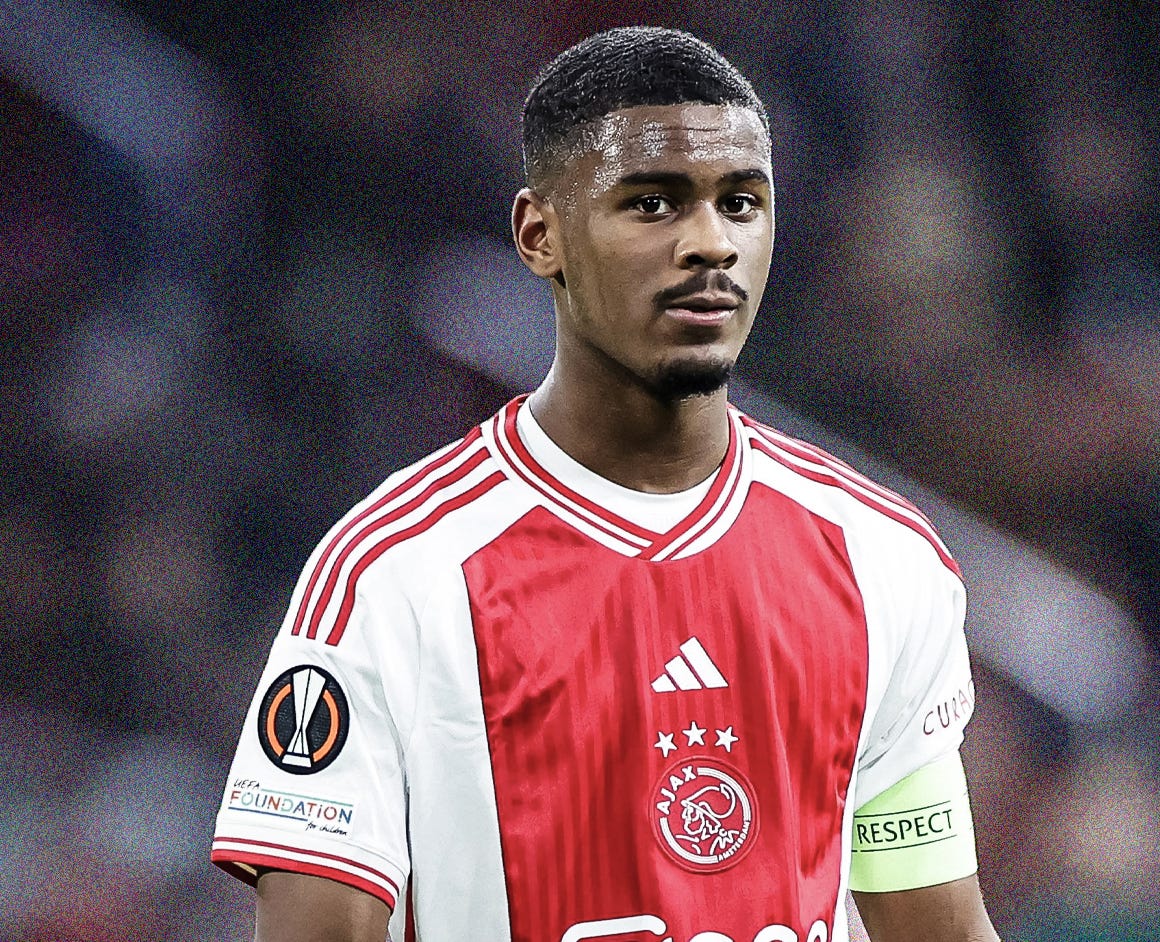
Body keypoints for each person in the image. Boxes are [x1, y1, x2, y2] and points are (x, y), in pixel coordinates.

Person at [210, 26, 1001, 942]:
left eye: (741, 203)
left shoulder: (884, 563)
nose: (710, 243)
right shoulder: (395, 577)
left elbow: (934, 922)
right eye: (653, 205)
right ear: (539, 234)